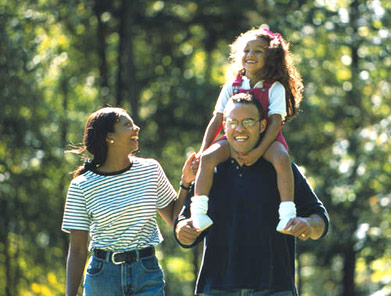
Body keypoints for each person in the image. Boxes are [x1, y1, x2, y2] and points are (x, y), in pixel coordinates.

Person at [175, 93, 329, 295]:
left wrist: (309, 225)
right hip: (217, 288)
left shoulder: (283, 170)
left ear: (262, 126)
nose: (239, 129)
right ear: (224, 125)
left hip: (275, 288)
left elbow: (320, 219)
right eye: (232, 122)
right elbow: (185, 224)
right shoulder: (208, 173)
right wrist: (182, 231)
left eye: (248, 121)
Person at [61, 107, 196, 296]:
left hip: (146, 273)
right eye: (128, 125)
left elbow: (175, 219)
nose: (137, 128)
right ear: (109, 136)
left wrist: (185, 182)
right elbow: (77, 250)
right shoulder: (81, 185)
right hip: (103, 278)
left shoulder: (150, 170)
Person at [191, 26, 305, 234]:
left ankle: (287, 214)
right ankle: (198, 211)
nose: (250, 55)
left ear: (270, 57)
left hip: (268, 140)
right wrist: (202, 151)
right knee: (208, 158)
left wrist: (258, 151)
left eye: (258, 51)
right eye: (246, 50)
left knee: (281, 159)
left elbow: (274, 123)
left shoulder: (275, 88)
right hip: (233, 139)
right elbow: (217, 119)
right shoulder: (231, 86)